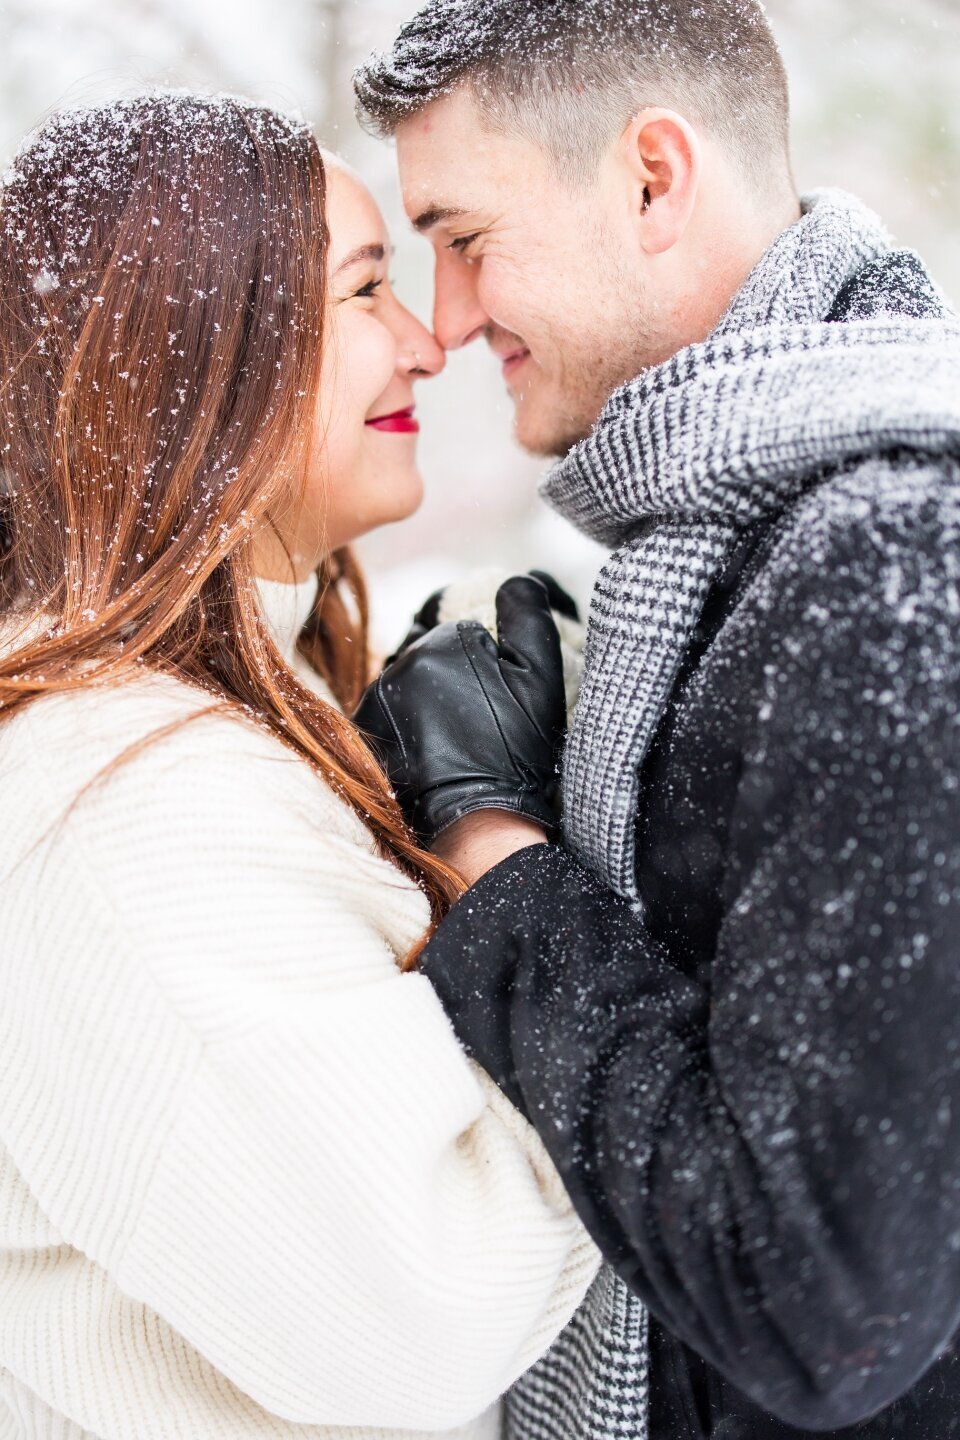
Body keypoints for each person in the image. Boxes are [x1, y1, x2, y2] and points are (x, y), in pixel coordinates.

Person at [351, 2, 960, 1437]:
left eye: (463, 237)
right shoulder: (741, 547)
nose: (444, 319)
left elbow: (823, 1307)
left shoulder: (885, 571)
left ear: (650, 180)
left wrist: (499, 853)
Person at [0, 93, 601, 1440]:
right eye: (369, 285)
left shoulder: (223, 719)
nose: (430, 339)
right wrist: (527, 873)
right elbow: (428, 1310)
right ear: (199, 351)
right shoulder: (113, 805)